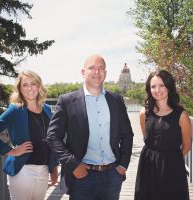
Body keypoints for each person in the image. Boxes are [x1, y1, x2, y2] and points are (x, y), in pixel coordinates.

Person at [46, 54, 134, 200]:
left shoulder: (117, 101)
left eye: (101, 68)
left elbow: (127, 135)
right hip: (82, 175)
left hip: (113, 175)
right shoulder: (67, 101)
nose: (97, 72)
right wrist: (73, 164)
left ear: (105, 73)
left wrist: (123, 165)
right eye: (92, 68)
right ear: (83, 72)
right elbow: (53, 136)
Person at [0, 70, 59, 200]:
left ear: (39, 86)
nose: (29, 88)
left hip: (44, 170)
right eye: (25, 85)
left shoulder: (46, 109)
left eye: (33, 84)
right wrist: (11, 151)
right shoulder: (15, 110)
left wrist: (54, 167)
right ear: (19, 89)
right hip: (23, 171)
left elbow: (52, 140)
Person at [134, 70, 191, 200]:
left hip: (172, 166)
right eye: (153, 86)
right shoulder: (144, 113)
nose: (157, 90)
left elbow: (187, 146)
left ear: (169, 87)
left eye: (161, 85)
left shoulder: (181, 115)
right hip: (147, 165)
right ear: (149, 89)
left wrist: (171, 159)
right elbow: (147, 138)